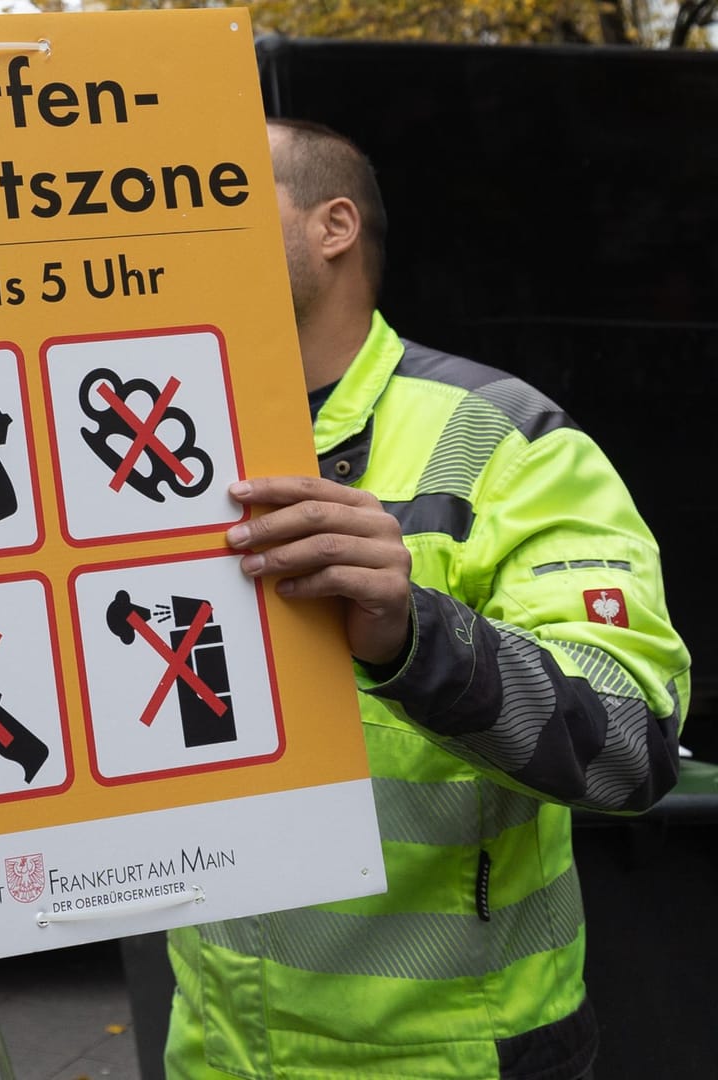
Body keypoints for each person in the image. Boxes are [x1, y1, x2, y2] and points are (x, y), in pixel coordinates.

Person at [163, 120, 690, 1078]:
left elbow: (632, 742)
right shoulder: (165, 449)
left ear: (334, 226)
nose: (188, 223)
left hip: (459, 1056)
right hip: (218, 1051)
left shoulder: (506, 437)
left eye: (225, 195)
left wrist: (415, 637)